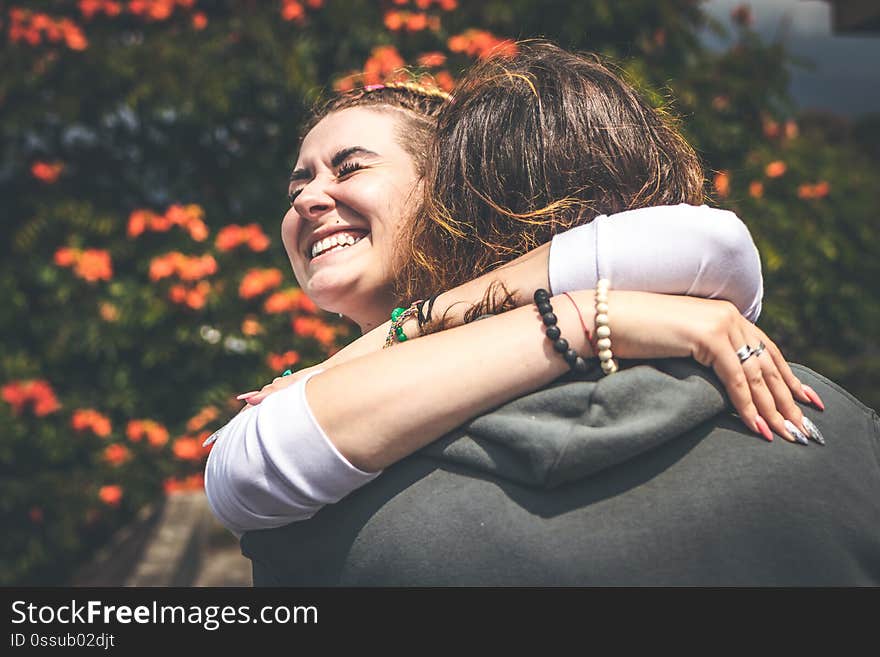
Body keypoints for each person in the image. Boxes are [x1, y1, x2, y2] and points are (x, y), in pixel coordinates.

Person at [206, 44, 880, 585]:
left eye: (349, 167)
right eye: (297, 184)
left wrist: (410, 329)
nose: (308, 200)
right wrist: (590, 312)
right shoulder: (842, 436)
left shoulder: (332, 526)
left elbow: (709, 244)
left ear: (445, 201)